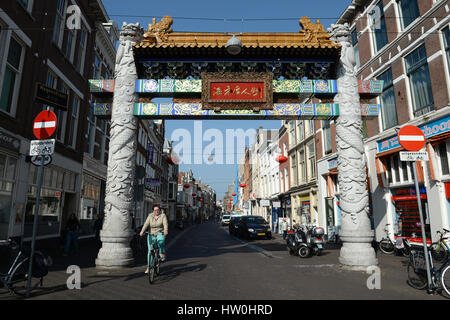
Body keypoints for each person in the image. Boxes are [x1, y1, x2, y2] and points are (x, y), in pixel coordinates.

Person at [140, 204, 168, 274]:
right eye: (155, 210)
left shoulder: (163, 216)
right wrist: (142, 231)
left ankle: (161, 252)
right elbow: (146, 224)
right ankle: (149, 267)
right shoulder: (150, 216)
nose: (156, 211)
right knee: (150, 251)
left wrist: (165, 230)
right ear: (153, 210)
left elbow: (165, 223)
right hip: (151, 234)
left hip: (160, 233)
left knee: (161, 241)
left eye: (158, 210)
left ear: (160, 210)